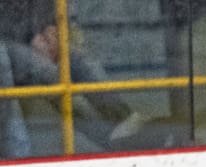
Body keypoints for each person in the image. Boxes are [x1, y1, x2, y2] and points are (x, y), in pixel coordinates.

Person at [0, 0, 157, 157]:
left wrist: (57, 31)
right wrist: (31, 38)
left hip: (33, 40)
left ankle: (127, 125)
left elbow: (61, 14)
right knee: (47, 72)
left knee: (80, 60)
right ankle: (17, 155)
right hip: (8, 45)